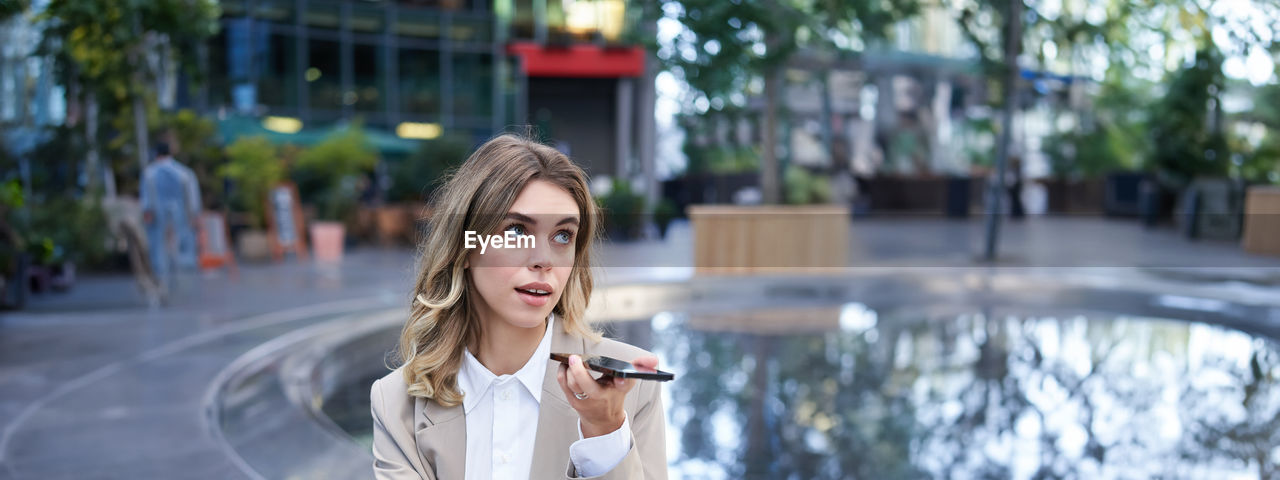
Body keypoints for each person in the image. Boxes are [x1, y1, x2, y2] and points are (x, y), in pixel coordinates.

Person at [370, 134, 667, 479]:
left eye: (562, 235)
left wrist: (605, 432)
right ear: (465, 247)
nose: (543, 260)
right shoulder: (396, 403)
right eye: (516, 230)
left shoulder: (631, 392)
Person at [140, 142, 200, 292]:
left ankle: (161, 279)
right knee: (181, 244)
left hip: (158, 216)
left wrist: (147, 212)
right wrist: (194, 215)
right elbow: (192, 197)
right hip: (180, 214)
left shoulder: (149, 173)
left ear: (156, 154)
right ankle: (183, 278)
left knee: (159, 247)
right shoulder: (183, 172)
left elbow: (146, 199)